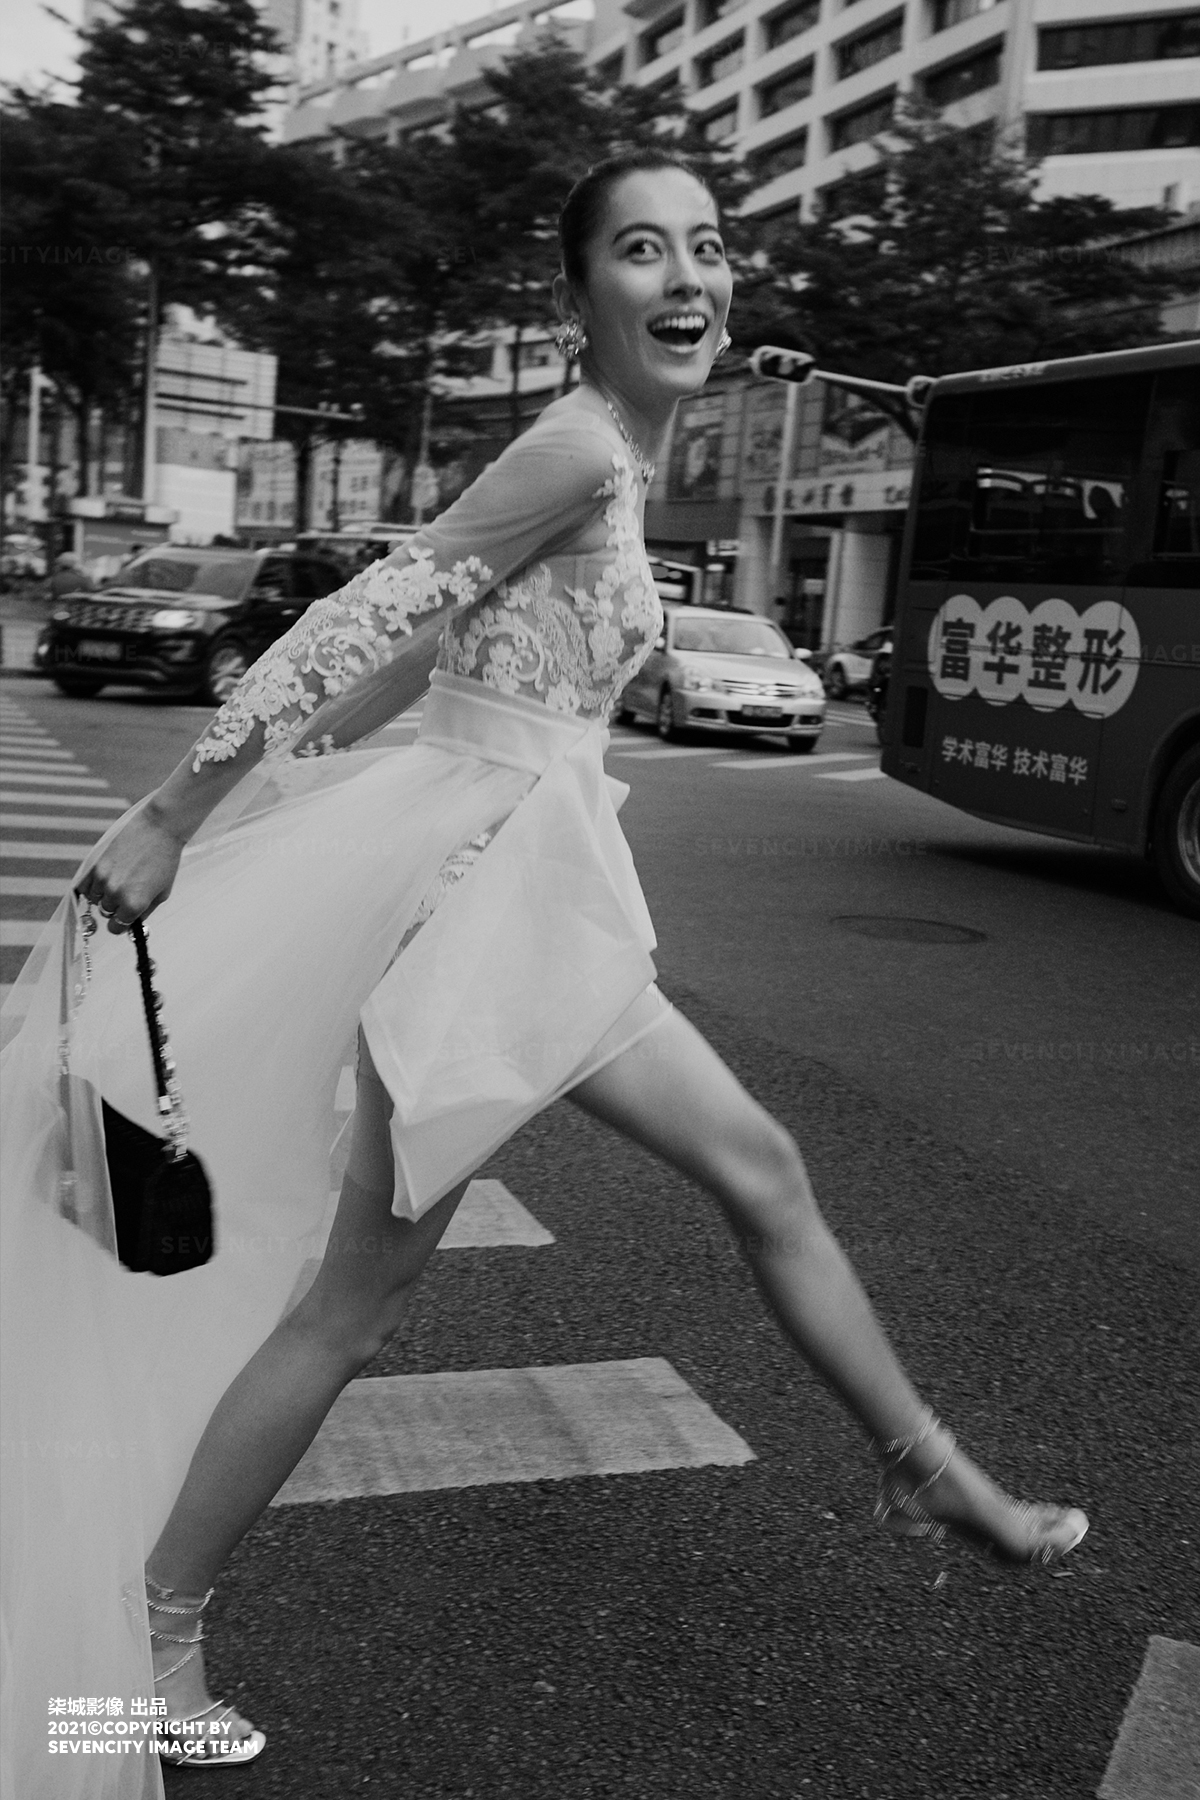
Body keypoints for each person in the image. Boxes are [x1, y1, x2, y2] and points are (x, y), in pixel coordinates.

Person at [0, 151, 1087, 1794]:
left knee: (757, 1172)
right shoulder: (576, 447)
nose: (688, 278)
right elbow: (372, 609)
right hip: (480, 912)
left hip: (535, 897)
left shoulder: (614, 461)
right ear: (577, 292)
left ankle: (929, 1472)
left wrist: (312, 788)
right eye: (642, 250)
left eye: (707, 247)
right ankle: (152, 1634)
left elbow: (433, 654)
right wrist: (176, 814)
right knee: (356, 1309)